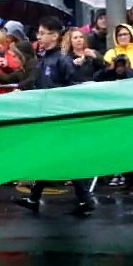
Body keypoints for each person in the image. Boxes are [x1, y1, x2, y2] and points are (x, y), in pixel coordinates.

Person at [13, 16, 97, 217]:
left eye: (43, 33)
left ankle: (85, 199)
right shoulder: (45, 59)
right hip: (48, 116)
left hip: (60, 117)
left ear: (54, 35)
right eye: (39, 33)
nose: (39, 36)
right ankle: (37, 198)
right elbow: (38, 84)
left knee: (59, 157)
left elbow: (73, 88)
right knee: (50, 157)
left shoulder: (62, 60)